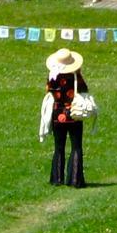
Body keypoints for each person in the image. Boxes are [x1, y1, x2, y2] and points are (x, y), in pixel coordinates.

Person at [45, 48, 88, 187]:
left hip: (58, 115)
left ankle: (57, 178)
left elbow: (49, 90)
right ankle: (75, 179)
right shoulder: (75, 77)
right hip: (74, 115)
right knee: (76, 147)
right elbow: (84, 89)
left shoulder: (52, 77)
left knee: (59, 147)